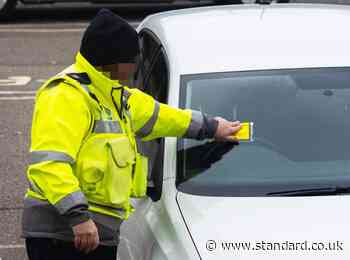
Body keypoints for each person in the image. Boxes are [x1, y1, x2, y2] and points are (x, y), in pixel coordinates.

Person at [21, 8, 242, 260]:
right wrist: (78, 217)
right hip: (64, 236)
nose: (136, 67)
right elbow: (50, 165)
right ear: (112, 60)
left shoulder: (116, 96)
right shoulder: (66, 96)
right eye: (132, 60)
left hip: (95, 235)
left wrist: (213, 127)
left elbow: (164, 117)